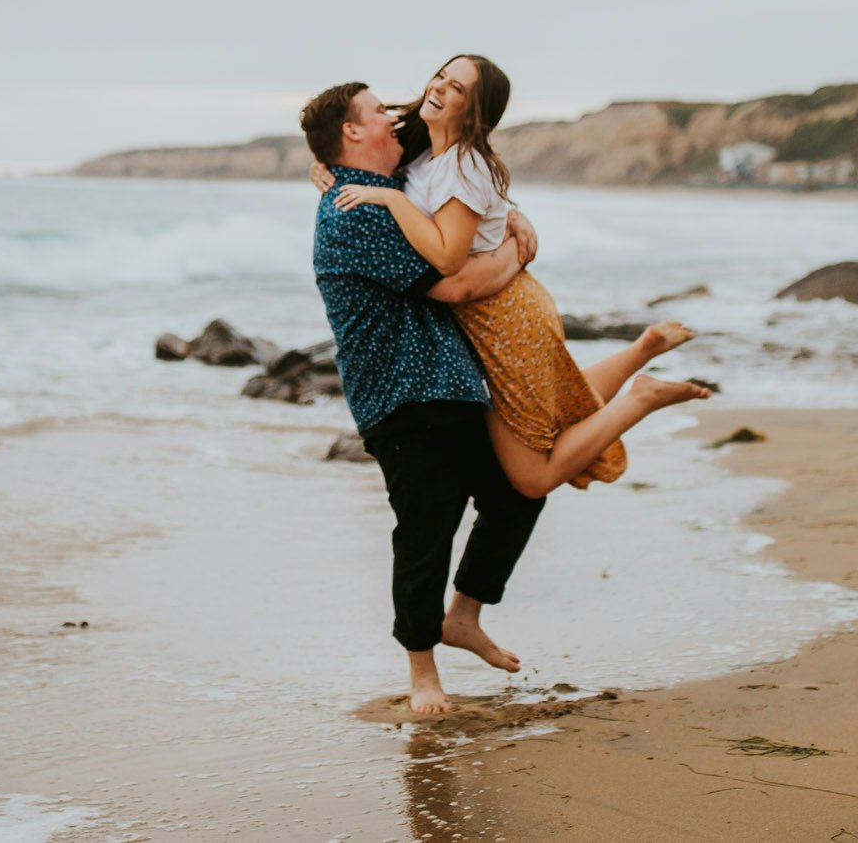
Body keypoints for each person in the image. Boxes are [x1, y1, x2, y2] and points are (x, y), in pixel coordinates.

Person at [321, 54, 709, 498]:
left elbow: (451, 265)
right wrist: (327, 169)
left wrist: (393, 203)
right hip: (500, 309)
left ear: (474, 112)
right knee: (555, 404)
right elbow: (367, 165)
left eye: (458, 88)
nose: (440, 87)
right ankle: (642, 352)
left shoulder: (461, 165)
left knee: (532, 479)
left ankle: (643, 397)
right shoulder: (425, 151)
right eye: (442, 76)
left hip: (502, 317)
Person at [300, 80, 544, 717]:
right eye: (377, 111)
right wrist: (518, 250)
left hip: (454, 383)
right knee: (424, 535)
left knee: (520, 493)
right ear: (353, 132)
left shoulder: (388, 180)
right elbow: (455, 287)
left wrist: (509, 212)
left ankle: (462, 616)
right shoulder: (358, 211)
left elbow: (445, 143)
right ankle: (422, 674)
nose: (393, 115)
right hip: (402, 394)